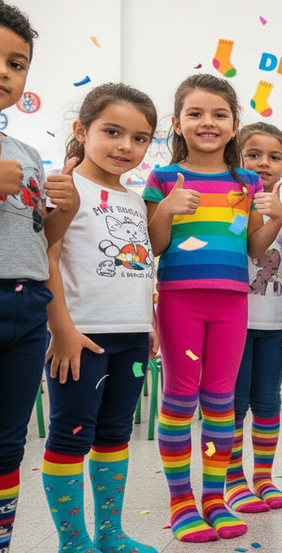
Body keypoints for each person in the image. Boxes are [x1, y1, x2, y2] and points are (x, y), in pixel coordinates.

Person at [144, 74, 282, 542]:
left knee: (221, 401)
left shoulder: (245, 180)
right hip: (181, 299)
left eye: (219, 114)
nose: (208, 122)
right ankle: (182, 501)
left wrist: (276, 218)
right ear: (178, 123)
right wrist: (165, 209)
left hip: (232, 302)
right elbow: (154, 244)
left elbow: (251, 248)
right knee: (181, 397)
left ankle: (215, 499)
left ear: (234, 123)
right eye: (196, 113)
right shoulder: (163, 178)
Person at [42, 83, 158, 553]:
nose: (126, 146)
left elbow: (138, 267)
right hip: (81, 337)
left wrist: (148, 324)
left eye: (140, 137)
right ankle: (74, 540)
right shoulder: (65, 187)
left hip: (131, 338)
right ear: (81, 130)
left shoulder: (133, 199)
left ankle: (110, 533)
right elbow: (46, 254)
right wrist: (62, 329)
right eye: (113, 131)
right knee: (71, 435)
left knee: (114, 434)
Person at [0, 4, 80, 551]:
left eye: (17, 62)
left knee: (8, 448)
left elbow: (38, 238)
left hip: (27, 307)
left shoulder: (26, 153)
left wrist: (65, 211)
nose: (5, 71)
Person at [224, 122, 282, 513]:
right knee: (235, 403)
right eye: (253, 154)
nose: (264, 163)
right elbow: (246, 248)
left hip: (274, 325)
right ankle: (234, 479)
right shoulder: (231, 208)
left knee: (268, 401)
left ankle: (264, 478)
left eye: (274, 157)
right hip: (233, 324)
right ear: (236, 157)